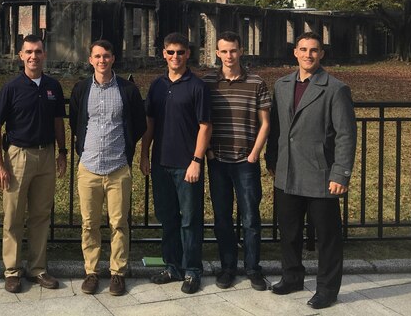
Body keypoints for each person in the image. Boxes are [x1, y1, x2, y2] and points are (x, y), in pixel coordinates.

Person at [265, 31, 357, 310]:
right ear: (295, 52)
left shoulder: (335, 89)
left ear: (322, 54)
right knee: (289, 231)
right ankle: (292, 276)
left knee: (327, 236)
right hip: (287, 171)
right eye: (303, 49)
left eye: (314, 50)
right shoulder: (281, 85)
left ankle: (327, 289)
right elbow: (278, 128)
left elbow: (345, 135)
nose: (308, 55)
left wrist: (340, 174)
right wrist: (272, 160)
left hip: (320, 173)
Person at [69, 40, 147, 296]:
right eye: (97, 56)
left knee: (119, 223)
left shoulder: (127, 90)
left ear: (114, 58)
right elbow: (76, 120)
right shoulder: (81, 89)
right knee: (89, 223)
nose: (102, 61)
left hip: (117, 166)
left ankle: (117, 273)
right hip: (89, 166)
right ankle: (91, 271)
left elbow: (138, 124)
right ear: (90, 59)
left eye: (106, 56)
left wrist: (125, 148)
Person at [0, 35, 67, 293]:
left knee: (40, 215)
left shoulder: (53, 87)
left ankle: (38, 268)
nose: (34, 56)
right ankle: (12, 270)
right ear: (21, 55)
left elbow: (59, 122)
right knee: (13, 215)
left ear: (44, 55)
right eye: (29, 52)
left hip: (46, 155)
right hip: (18, 156)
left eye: (38, 51)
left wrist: (63, 152)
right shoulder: (12, 87)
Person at [141, 32, 212, 294]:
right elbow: (150, 123)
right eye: (170, 52)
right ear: (164, 54)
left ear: (187, 54)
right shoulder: (157, 85)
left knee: (190, 219)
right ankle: (172, 265)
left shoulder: (197, 86)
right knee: (168, 218)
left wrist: (196, 160)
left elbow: (205, 126)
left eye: (180, 52)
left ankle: (192, 269)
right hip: (161, 162)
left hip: (186, 164)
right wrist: (144, 154)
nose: (175, 57)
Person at [203, 31, 270, 291]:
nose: (229, 56)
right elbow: (202, 119)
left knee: (251, 218)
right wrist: (208, 152)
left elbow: (265, 122)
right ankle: (227, 267)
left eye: (233, 50)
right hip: (218, 159)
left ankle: (253, 268)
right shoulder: (208, 82)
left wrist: (255, 153)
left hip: (246, 159)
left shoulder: (256, 82)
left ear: (241, 51)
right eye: (224, 51)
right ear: (217, 53)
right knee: (222, 218)